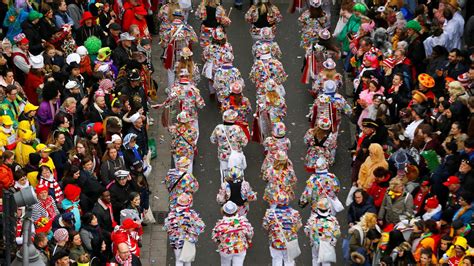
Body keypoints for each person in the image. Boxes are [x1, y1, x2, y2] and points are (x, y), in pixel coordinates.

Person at [164, 193, 205, 266]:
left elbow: (167, 228)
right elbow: (200, 227)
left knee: (178, 260)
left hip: (176, 241)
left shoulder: (172, 214)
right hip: (188, 241)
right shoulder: (192, 214)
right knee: (187, 260)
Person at [262, 190, 302, 266]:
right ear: (287, 201)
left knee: (277, 261)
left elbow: (265, 226)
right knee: (289, 261)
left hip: (276, 242)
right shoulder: (294, 213)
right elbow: (298, 225)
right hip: (290, 241)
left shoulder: (270, 213)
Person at [210, 110, 248, 182]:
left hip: (223, 156)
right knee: (238, 174)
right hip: (236, 156)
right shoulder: (237, 128)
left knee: (225, 174)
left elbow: (213, 140)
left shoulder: (218, 128)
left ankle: (225, 190)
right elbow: (244, 142)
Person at [212, 201, 254, 266]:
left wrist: (220, 241)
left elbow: (215, 238)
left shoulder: (220, 224)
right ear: (236, 211)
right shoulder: (243, 222)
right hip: (240, 248)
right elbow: (250, 234)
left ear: (223, 211)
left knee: (224, 264)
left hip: (225, 249)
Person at [304, 198, 341, 266]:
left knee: (315, 258)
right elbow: (337, 234)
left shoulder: (312, 219)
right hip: (327, 244)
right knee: (326, 262)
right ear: (328, 208)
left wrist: (311, 235)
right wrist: (333, 241)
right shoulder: (333, 220)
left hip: (315, 243)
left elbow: (306, 230)